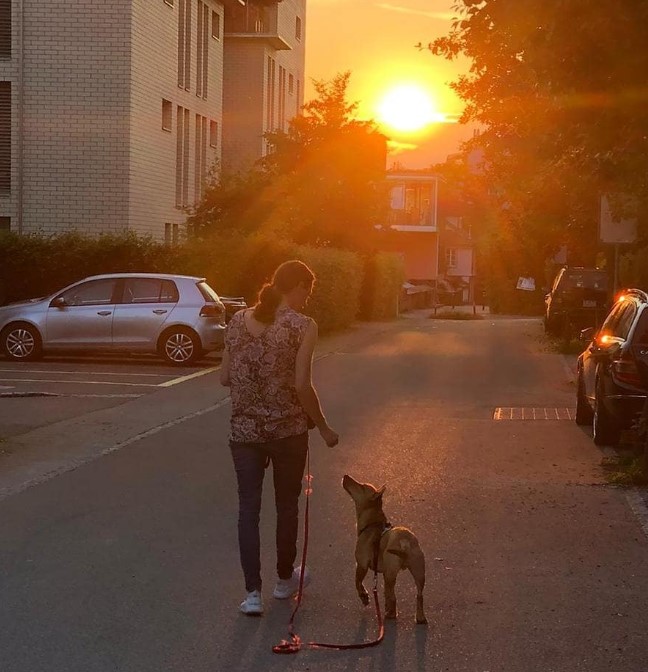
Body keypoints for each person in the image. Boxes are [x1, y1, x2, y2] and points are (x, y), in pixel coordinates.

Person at [220, 260, 339, 616]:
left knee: (248, 510)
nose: (308, 299)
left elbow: (225, 377)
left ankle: (252, 594)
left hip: (243, 433)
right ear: (299, 286)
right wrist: (324, 427)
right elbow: (303, 384)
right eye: (309, 291)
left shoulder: (238, 321)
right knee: (287, 506)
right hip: (288, 432)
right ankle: (284, 581)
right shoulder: (304, 327)